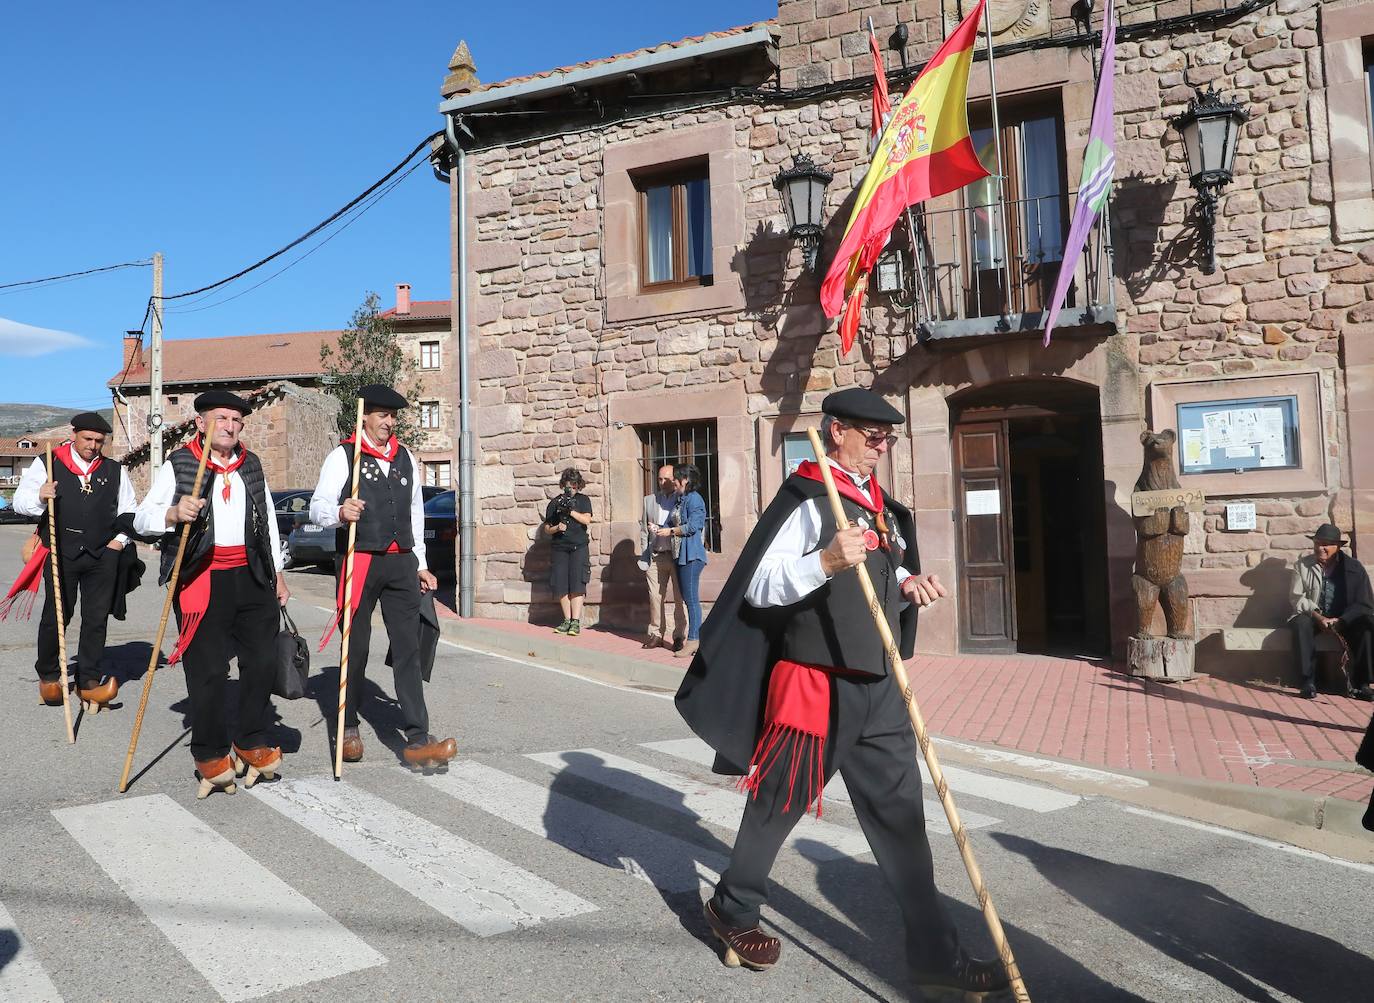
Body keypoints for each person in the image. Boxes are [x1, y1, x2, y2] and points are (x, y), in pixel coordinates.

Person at [675, 387, 1009, 999]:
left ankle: (935, 956)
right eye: (870, 436)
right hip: (815, 680)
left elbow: (885, 562)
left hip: (879, 685)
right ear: (835, 433)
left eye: (887, 439)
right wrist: (823, 561)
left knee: (903, 819)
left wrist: (909, 582)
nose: (880, 448)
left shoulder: (876, 501)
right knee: (779, 803)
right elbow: (761, 585)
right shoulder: (807, 494)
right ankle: (733, 908)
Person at [133, 391, 290, 798]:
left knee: (262, 663)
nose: (231, 425)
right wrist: (172, 513)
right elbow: (143, 518)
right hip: (202, 578)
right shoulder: (180, 464)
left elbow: (267, 520)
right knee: (207, 672)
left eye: (237, 419)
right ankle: (210, 751)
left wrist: (278, 573)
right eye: (222, 417)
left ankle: (251, 739)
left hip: (252, 576)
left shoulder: (250, 465)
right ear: (201, 423)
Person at [309, 384, 456, 769]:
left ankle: (419, 738)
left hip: (401, 562)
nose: (388, 423)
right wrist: (341, 512)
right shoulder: (344, 456)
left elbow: (415, 515)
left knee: (408, 647)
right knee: (355, 647)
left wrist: (421, 564)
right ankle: (349, 726)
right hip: (360, 560)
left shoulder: (406, 456)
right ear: (365, 417)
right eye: (381, 416)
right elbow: (317, 507)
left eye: (392, 417)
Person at [8, 412, 135, 712]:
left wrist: (119, 543)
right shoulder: (49, 463)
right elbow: (20, 502)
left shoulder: (115, 470)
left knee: (96, 617)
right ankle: (50, 675)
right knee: (57, 615)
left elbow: (129, 510)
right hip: (60, 552)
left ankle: (89, 681)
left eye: (99, 441)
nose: (93, 446)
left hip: (103, 554)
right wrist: (40, 495)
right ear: (74, 434)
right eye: (88, 439)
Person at [1289, 523, 1374, 700]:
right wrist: (1318, 617)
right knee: (1300, 624)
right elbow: (1297, 598)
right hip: (1314, 615)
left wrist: (1342, 620)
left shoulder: (1354, 568)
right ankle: (1307, 682)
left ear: (1338, 547)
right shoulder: (1302, 566)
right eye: (1318, 543)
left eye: (1326, 544)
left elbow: (1364, 602)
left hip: (1344, 617)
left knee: (1366, 625)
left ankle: (1362, 684)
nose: (1321, 548)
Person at [663, 462, 707, 659]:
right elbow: (673, 521)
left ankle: (694, 640)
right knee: (688, 598)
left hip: (691, 555)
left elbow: (694, 526)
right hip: (680, 555)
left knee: (691, 600)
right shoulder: (681, 499)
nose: (673, 481)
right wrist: (659, 527)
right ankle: (694, 639)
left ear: (686, 480)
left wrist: (671, 530)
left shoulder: (695, 499)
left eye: (676, 477)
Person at [543, 467, 593, 636]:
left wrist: (570, 511)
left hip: (579, 547)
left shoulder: (583, 500)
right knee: (561, 583)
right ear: (562, 485)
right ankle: (566, 620)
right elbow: (547, 528)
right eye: (567, 485)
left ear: (578, 485)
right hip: (560, 548)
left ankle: (576, 621)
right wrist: (557, 527)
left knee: (578, 582)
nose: (570, 489)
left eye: (573, 486)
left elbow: (587, 519)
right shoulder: (554, 502)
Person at [640, 464, 685, 651]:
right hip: (656, 555)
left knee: (678, 598)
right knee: (654, 598)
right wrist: (645, 552)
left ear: (673, 479)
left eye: (665, 479)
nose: (662, 482)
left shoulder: (682, 499)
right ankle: (656, 634)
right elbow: (643, 529)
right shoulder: (649, 500)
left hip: (676, 556)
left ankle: (679, 636)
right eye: (659, 479)